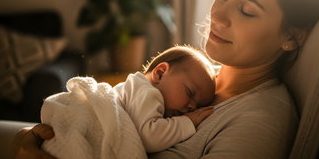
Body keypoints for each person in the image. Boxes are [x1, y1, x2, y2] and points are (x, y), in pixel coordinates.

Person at [11, 0, 319, 159]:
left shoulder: (259, 122)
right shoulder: (199, 75)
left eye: (246, 9)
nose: (219, 14)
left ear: (291, 36)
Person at [40, 45, 216, 157]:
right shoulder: (148, 93)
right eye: (190, 92)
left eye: (199, 105)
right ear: (160, 73)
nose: (192, 106)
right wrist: (188, 122)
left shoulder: (138, 89)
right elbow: (149, 136)